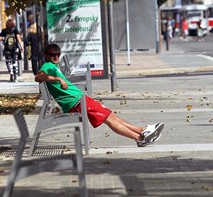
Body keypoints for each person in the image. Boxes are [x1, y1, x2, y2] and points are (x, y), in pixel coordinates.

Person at [35, 43, 164, 147]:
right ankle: (140, 138)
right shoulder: (47, 66)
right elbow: (38, 76)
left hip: (80, 99)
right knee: (108, 118)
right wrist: (59, 79)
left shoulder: (52, 65)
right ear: (46, 55)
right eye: (53, 55)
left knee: (110, 114)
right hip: (76, 103)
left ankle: (142, 131)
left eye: (58, 54)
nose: (56, 57)